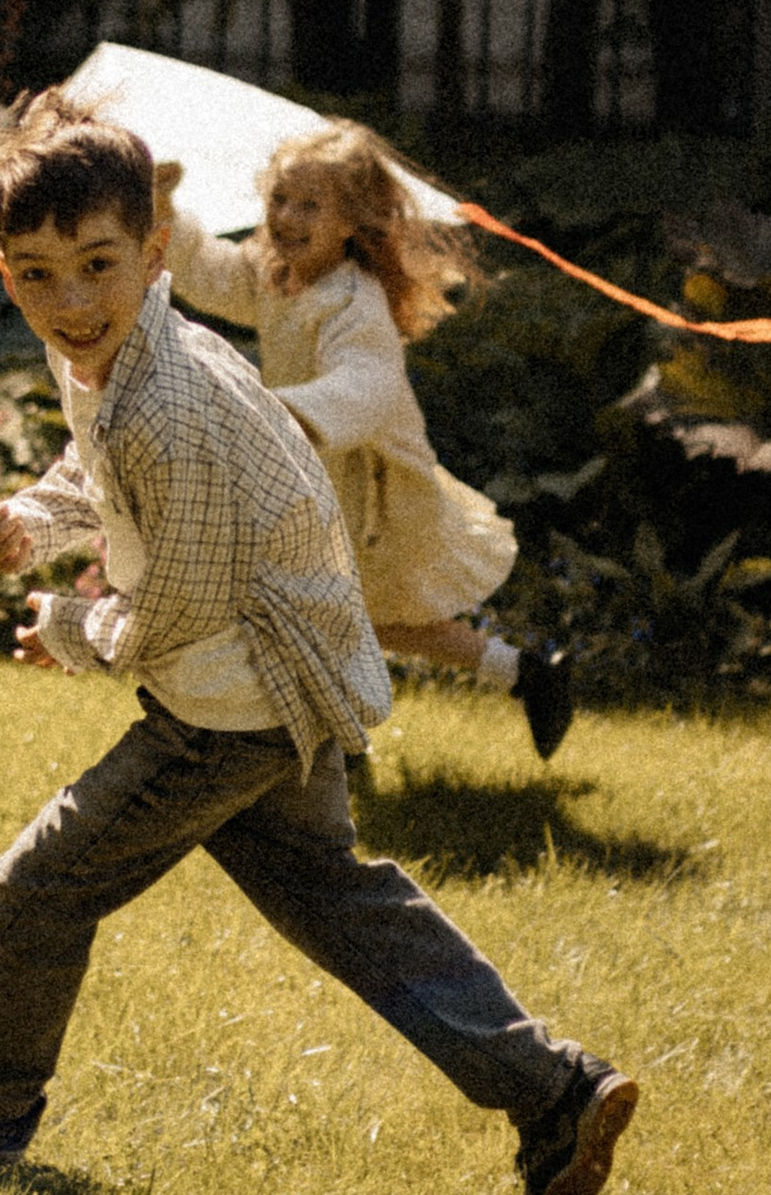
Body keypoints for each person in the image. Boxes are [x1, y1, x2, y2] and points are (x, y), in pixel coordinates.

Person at [0, 93, 638, 1195]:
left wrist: (66, 629)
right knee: (340, 905)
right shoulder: (136, 347)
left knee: (39, 882)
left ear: (153, 251)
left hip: (229, 709)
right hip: (283, 682)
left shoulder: (167, 399)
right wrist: (31, 517)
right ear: (1, 267)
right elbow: (102, 475)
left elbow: (174, 608)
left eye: (96, 266)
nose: (69, 303)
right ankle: (556, 1092)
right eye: (35, 274)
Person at [156, 122, 578, 760]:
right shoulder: (277, 272)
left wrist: (279, 412)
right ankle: (524, 674)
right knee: (367, 617)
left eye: (310, 205)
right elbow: (210, 272)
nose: (287, 218)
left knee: (320, 609)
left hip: (362, 480)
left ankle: (330, 748)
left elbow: (365, 386)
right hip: (312, 469)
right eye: (279, 200)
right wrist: (165, 211)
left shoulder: (353, 298)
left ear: (352, 221)